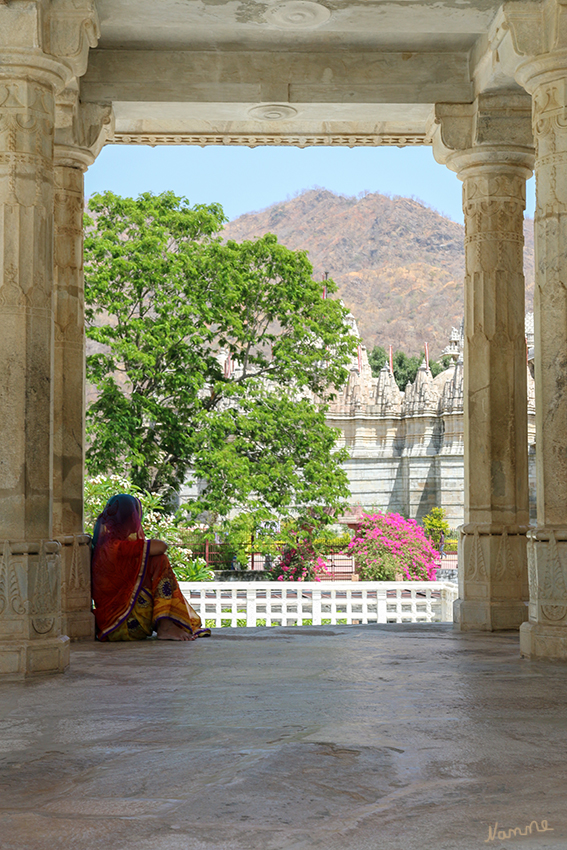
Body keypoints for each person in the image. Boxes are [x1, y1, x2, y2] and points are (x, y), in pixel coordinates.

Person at [91, 493, 210, 642]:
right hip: (123, 625)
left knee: (151, 561)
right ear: (129, 520)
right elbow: (161, 547)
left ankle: (166, 626)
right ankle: (165, 626)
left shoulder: (106, 544)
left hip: (111, 624)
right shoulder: (116, 547)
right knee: (159, 560)